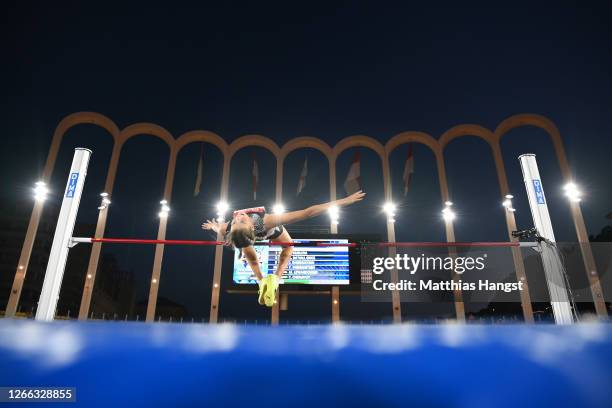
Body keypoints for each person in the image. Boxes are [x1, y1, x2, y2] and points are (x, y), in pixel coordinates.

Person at [201, 191, 366, 307]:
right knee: (287, 249)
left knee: (258, 253)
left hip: (258, 235)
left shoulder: (229, 228)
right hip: (267, 232)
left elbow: (219, 229)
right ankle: (271, 280)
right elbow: (308, 212)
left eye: (237, 220)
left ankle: (266, 282)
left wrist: (214, 226)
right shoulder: (265, 221)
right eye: (240, 221)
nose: (237, 217)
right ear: (251, 227)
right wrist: (344, 201)